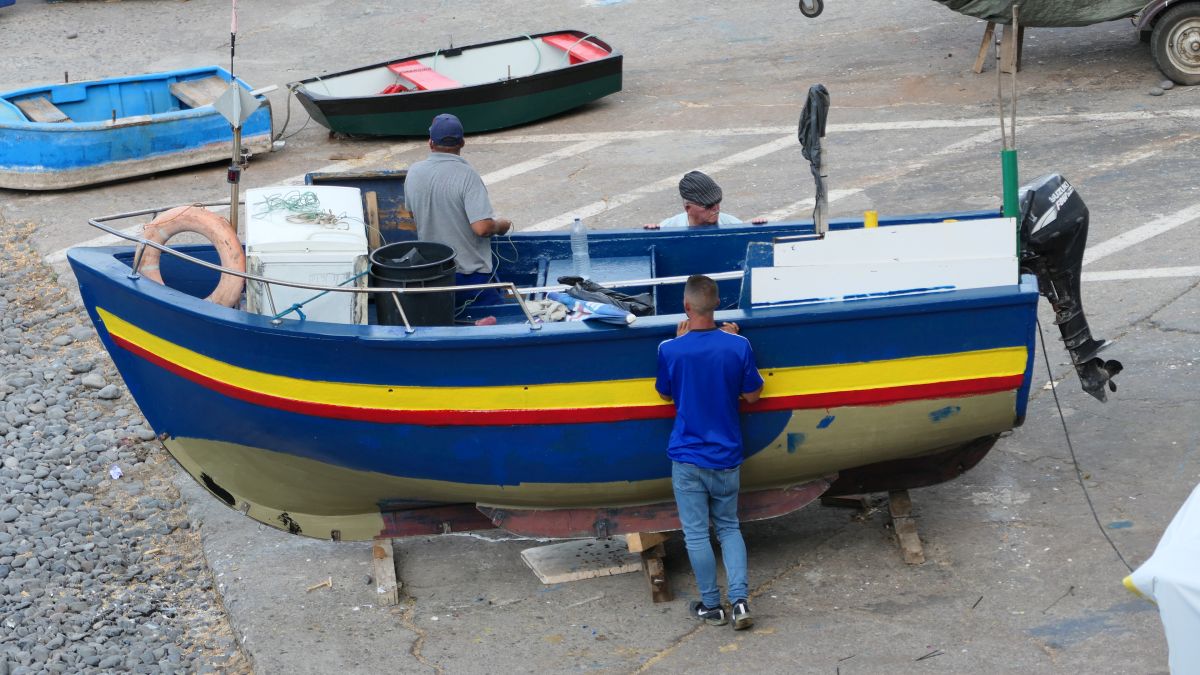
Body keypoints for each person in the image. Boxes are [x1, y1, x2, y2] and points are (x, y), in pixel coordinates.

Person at [655, 274, 765, 630]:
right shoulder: (738, 346)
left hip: (687, 457)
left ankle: (712, 606)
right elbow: (752, 395)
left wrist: (678, 343)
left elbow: (665, 394)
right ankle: (741, 602)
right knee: (730, 527)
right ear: (717, 304)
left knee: (697, 534)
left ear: (687, 307)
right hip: (726, 456)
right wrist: (734, 340)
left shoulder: (669, 350)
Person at [404, 113, 513, 308]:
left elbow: (412, 215)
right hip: (470, 279)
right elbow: (482, 228)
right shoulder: (467, 175)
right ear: (462, 142)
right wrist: (502, 224)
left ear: (430, 143)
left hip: (433, 275)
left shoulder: (414, 172)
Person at [643, 171, 766, 229]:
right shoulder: (668, 228)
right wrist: (650, 233)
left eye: (717, 202)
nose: (716, 208)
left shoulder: (733, 225)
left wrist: (757, 227)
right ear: (688, 208)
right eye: (707, 205)